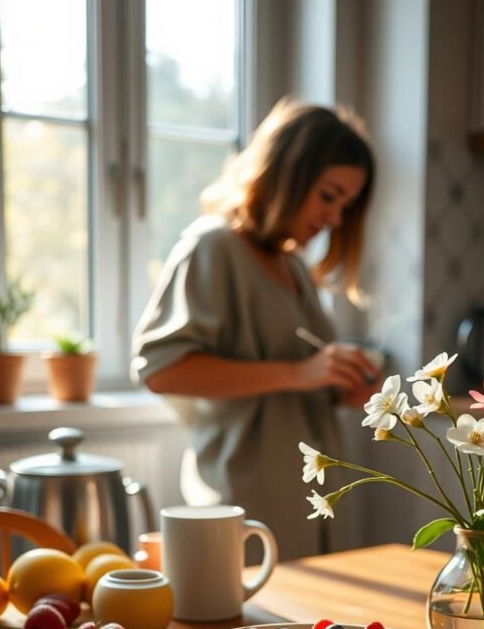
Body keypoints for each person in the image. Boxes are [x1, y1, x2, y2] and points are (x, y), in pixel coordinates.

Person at [131, 96, 378, 561]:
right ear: (285, 173)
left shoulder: (294, 266)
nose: (334, 219)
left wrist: (340, 385)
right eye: (329, 196)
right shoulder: (213, 247)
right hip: (245, 511)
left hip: (309, 511)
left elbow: (300, 374)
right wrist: (300, 373)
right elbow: (161, 371)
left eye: (346, 205)